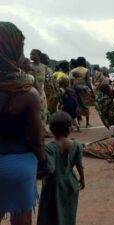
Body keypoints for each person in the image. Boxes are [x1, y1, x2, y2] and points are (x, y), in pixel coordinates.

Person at [0, 22, 44, 225]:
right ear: (13, 50)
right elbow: (37, 140)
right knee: (22, 220)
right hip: (18, 166)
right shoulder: (28, 93)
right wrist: (44, 161)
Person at [37, 112, 84, 225]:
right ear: (68, 128)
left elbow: (50, 168)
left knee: (50, 214)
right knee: (68, 213)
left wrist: (37, 176)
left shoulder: (50, 148)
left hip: (53, 186)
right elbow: (79, 164)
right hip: (70, 184)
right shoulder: (76, 145)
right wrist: (82, 179)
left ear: (52, 129)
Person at [30, 49, 51, 137]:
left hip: (42, 93)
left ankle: (43, 131)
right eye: (30, 54)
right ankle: (35, 131)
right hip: (31, 91)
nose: (31, 56)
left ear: (39, 56)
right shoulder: (29, 66)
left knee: (43, 111)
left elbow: (48, 81)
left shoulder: (44, 67)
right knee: (33, 111)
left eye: (33, 54)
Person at [70, 57, 94, 128]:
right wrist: (91, 90)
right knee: (86, 105)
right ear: (84, 62)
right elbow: (88, 82)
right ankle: (87, 123)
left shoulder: (73, 70)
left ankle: (78, 123)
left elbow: (71, 81)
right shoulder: (86, 70)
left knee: (76, 105)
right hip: (84, 90)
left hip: (75, 89)